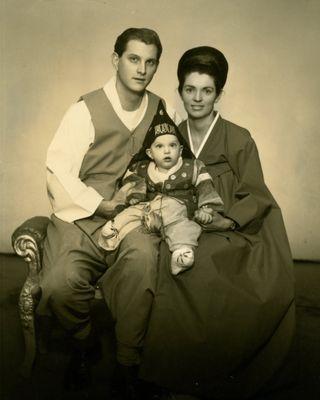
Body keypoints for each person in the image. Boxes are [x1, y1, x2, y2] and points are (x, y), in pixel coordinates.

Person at [139, 46, 295, 400]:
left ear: (218, 94)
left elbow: (256, 194)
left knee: (205, 265)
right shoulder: (170, 137)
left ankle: (206, 376)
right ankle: (172, 372)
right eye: (190, 89)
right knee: (168, 258)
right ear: (180, 91)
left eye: (206, 90)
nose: (197, 98)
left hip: (234, 225)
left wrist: (228, 219)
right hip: (182, 222)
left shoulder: (238, 137)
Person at [36, 27, 180, 396]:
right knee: (58, 284)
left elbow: (175, 162)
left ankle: (128, 361)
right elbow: (58, 170)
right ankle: (84, 343)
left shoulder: (162, 109)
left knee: (145, 262)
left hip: (133, 216)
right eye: (133, 59)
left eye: (150, 62)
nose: (141, 69)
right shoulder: (85, 109)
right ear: (116, 60)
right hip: (82, 216)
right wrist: (99, 204)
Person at [98, 103, 225, 275]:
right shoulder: (143, 168)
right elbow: (131, 179)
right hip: (150, 209)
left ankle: (181, 253)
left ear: (180, 150)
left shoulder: (192, 167)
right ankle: (113, 229)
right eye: (159, 146)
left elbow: (205, 187)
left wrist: (206, 209)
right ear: (150, 153)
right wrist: (136, 194)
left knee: (183, 228)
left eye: (172, 146)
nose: (167, 151)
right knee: (132, 213)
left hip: (178, 209)